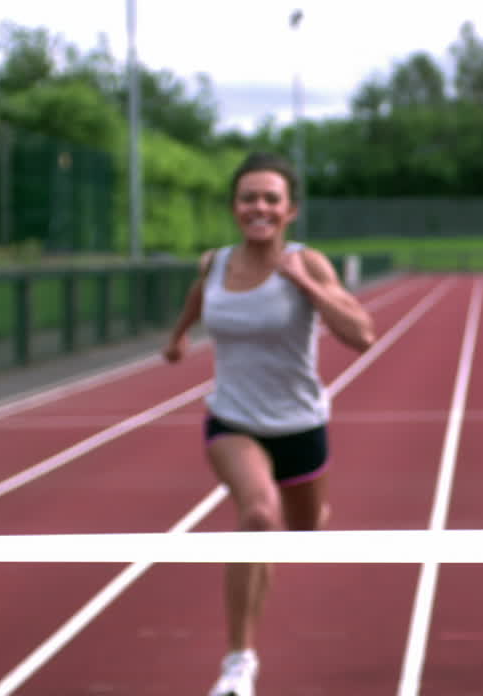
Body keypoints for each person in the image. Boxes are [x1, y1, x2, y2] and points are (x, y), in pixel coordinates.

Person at [162, 152, 376, 696]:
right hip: (232, 421)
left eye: (270, 198)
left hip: (301, 425)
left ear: (290, 210)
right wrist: (179, 336)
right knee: (258, 515)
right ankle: (239, 663)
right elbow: (197, 299)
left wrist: (307, 284)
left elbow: (362, 335)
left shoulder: (312, 263)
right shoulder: (214, 264)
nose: (259, 206)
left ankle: (308, 512)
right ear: (235, 207)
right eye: (248, 197)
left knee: (303, 535)